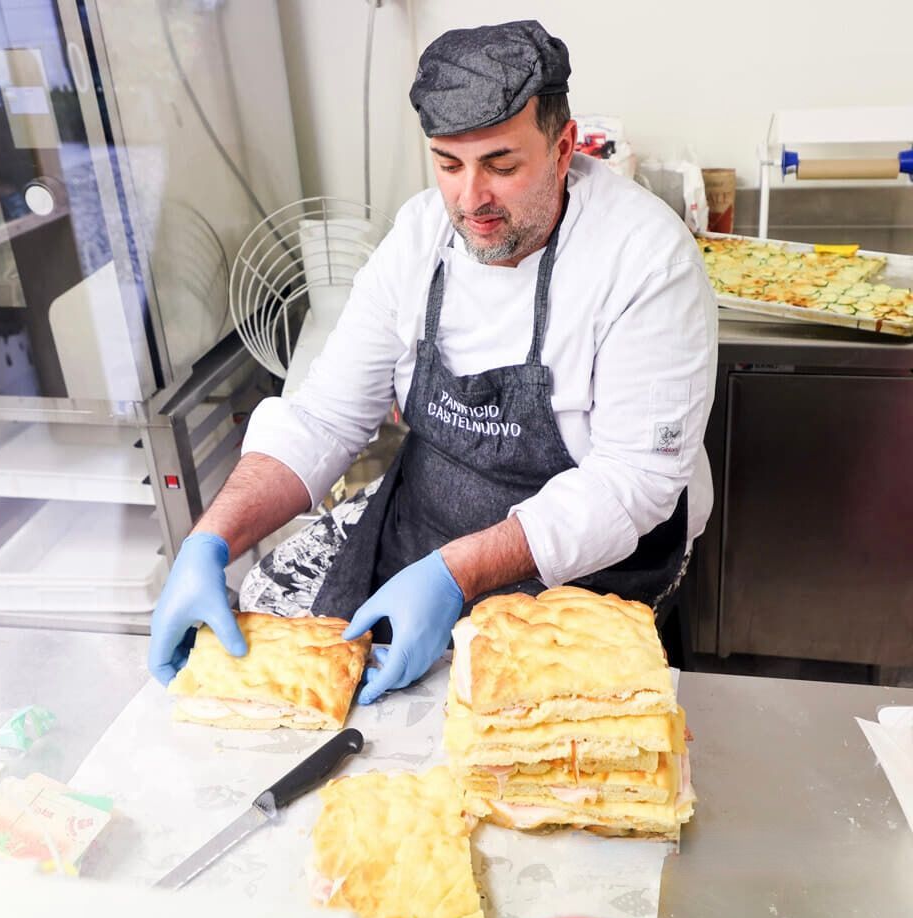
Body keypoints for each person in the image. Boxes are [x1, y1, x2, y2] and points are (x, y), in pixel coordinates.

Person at [149, 20, 716, 704]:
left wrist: (457, 572)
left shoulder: (645, 260)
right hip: (424, 531)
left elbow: (634, 481)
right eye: (448, 164)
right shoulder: (418, 239)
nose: (470, 198)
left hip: (586, 568)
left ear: (564, 148)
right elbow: (325, 417)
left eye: (502, 165)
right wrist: (212, 536)